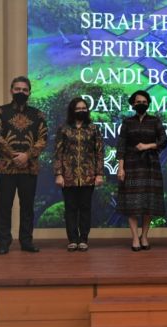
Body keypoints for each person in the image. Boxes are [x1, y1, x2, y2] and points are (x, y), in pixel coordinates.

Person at [0, 76, 48, 255]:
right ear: (11, 91)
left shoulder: (37, 114)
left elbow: (43, 138)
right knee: (5, 205)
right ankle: (4, 243)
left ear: (29, 92)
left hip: (29, 167)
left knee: (28, 206)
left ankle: (26, 241)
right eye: (17, 89)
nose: (21, 92)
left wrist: (27, 156)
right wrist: (14, 155)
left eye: (24, 89)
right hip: (4, 166)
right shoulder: (0, 112)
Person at [116, 90, 167, 251]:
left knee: (148, 203)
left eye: (144, 101)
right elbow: (121, 146)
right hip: (131, 165)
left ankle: (144, 236)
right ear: (132, 104)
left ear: (148, 103)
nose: (141, 104)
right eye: (138, 101)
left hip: (150, 165)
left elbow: (164, 140)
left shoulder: (155, 121)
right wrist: (120, 168)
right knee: (132, 203)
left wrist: (148, 146)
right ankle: (134, 238)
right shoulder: (127, 122)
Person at [53, 97, 105, 252]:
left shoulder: (93, 128)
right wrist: (58, 174)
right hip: (68, 176)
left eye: (84, 108)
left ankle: (83, 239)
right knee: (70, 208)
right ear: (72, 110)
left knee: (85, 208)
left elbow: (100, 153)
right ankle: (72, 239)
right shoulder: (64, 128)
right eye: (78, 108)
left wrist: (99, 174)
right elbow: (58, 153)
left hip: (88, 175)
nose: (81, 110)